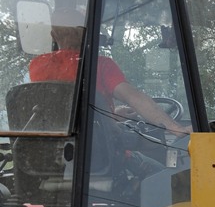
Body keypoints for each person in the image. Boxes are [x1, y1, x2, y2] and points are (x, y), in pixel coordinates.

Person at [29, 8, 188, 134]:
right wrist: (174, 128)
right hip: (100, 154)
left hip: (54, 153)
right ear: (85, 32)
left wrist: (110, 115)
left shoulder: (36, 66)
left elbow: (62, 113)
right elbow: (133, 98)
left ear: (53, 35)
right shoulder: (99, 65)